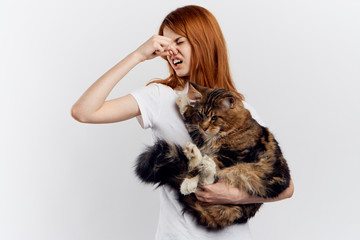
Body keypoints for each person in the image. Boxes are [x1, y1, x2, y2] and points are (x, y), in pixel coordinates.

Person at [71, 5, 294, 240]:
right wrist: (137, 56)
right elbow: (84, 112)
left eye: (179, 42)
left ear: (204, 42)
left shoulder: (239, 109)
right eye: (166, 46)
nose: (171, 51)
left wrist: (233, 195)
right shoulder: (159, 96)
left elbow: (286, 188)